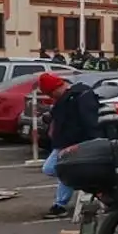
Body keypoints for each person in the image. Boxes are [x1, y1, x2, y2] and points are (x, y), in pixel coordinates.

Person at [39, 74, 102, 219]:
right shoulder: (69, 98)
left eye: (49, 93)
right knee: (64, 171)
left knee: (57, 169)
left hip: (70, 144)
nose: (50, 96)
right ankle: (63, 202)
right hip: (66, 144)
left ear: (54, 89)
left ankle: (62, 203)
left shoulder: (75, 98)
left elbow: (85, 122)